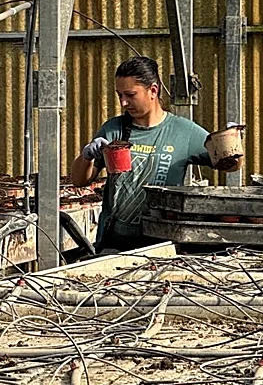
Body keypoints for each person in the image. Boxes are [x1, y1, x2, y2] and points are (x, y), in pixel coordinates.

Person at [70, 56, 241, 253]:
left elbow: (228, 165)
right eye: (119, 95)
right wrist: (87, 156)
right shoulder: (114, 130)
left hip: (163, 244)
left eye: (130, 95)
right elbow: (79, 180)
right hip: (116, 244)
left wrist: (232, 145)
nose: (123, 102)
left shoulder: (183, 132)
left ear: (153, 90)